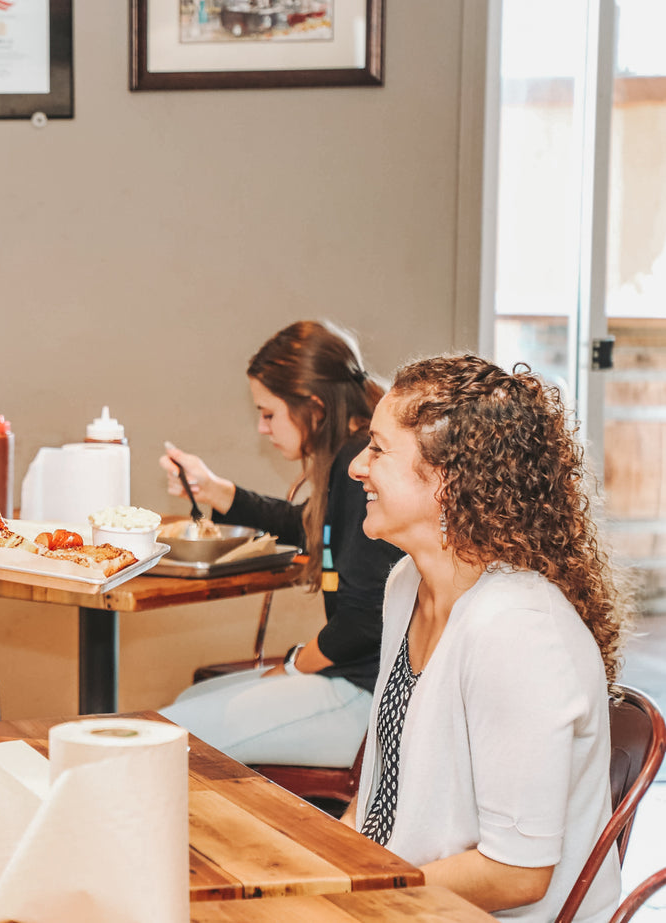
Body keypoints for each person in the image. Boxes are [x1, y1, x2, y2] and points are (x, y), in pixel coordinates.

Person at [342, 355, 626, 921]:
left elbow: (516, 875)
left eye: (377, 448)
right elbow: (377, 793)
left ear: (447, 481)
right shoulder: (407, 584)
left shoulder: (517, 630)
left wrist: (362, 891)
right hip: (400, 897)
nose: (356, 466)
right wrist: (326, 866)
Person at [157, 320, 403, 767]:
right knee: (191, 701)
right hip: (354, 679)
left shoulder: (356, 463)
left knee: (161, 739)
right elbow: (305, 523)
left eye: (268, 413)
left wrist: (292, 664)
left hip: (367, 696)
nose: (262, 428)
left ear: (312, 406)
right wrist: (214, 489)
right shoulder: (352, 453)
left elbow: (366, 620)